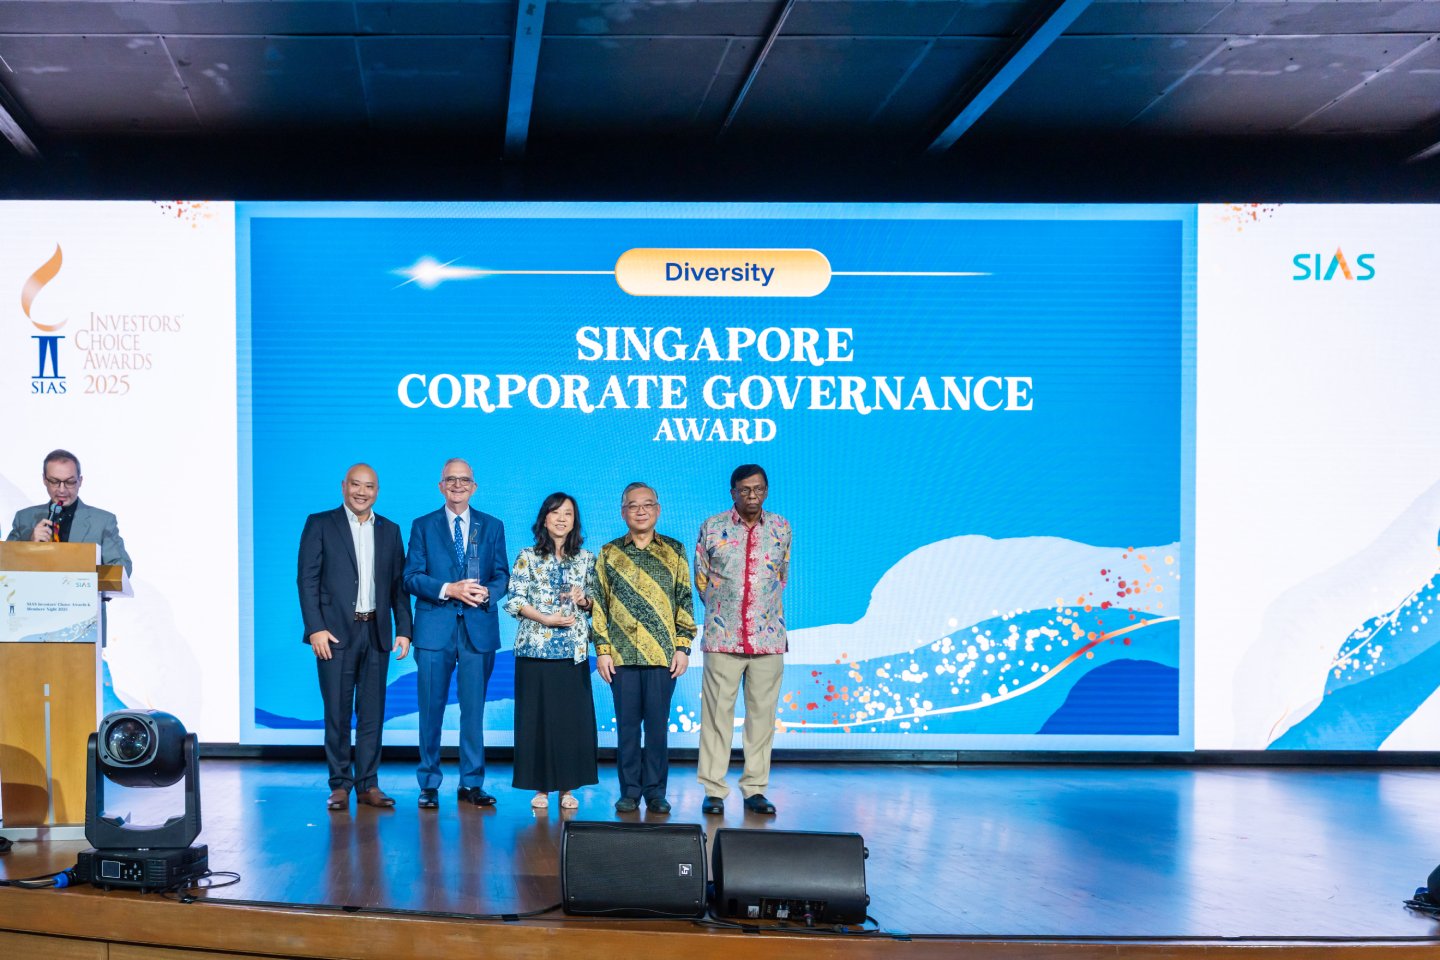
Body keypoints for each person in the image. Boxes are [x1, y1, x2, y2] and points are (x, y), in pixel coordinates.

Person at [297, 463, 413, 810]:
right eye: (356, 485)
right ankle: (339, 784)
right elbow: (307, 580)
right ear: (344, 486)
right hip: (333, 635)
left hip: (376, 632)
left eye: (369, 486)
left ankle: (367, 784)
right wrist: (315, 628)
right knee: (336, 712)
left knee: (372, 714)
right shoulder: (320, 524)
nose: (362, 492)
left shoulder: (390, 530)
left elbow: (398, 587)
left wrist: (404, 630)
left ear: (377, 491)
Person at [403, 458, 509, 808]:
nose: (458, 485)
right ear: (441, 486)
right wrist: (449, 588)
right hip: (435, 630)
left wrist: (487, 593)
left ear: (474, 487)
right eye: (451, 479)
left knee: (473, 711)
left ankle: (471, 783)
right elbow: (411, 577)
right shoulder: (423, 526)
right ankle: (429, 783)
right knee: (430, 708)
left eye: (464, 480)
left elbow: (502, 575)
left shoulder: (492, 526)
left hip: (478, 629)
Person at [591, 482, 695, 814]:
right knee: (627, 728)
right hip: (621, 657)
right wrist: (602, 650)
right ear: (623, 512)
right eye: (633, 506)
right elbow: (599, 605)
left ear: (657, 510)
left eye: (647, 505)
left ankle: (655, 792)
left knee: (657, 728)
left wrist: (682, 647)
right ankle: (630, 791)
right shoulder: (609, 553)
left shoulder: (674, 551)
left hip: (663, 656)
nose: (640, 511)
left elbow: (684, 600)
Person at [695, 465, 792, 816]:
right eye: (745, 489)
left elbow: (780, 576)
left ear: (766, 490)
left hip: (768, 638)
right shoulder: (712, 527)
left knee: (762, 719)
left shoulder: (781, 527)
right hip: (723, 638)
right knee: (716, 718)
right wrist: (727, 612)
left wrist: (759, 613)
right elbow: (702, 580)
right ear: (733, 492)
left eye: (759, 489)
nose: (753, 495)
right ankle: (713, 790)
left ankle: (755, 789)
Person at [503, 493, 600, 810]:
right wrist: (545, 619)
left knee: (570, 722)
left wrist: (583, 600)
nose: (561, 518)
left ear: (575, 521)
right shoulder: (527, 556)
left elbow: (596, 603)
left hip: (573, 653)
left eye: (568, 514)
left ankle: (567, 788)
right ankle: (541, 788)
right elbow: (515, 600)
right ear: (544, 519)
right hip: (535, 650)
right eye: (555, 512)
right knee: (537, 721)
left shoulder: (586, 559)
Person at [7, 448, 132, 574]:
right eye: (54, 481)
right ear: (44, 480)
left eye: (70, 482)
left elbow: (123, 568)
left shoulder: (103, 521)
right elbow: (5, 565)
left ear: (80, 481)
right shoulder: (24, 518)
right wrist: (29, 546)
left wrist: (88, 573)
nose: (62, 490)